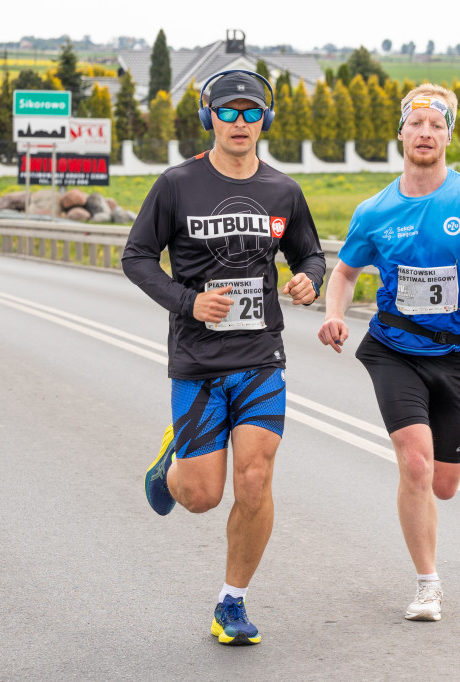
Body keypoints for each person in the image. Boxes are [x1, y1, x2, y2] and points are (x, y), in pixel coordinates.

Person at [122, 70, 326, 646]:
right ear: (209, 115)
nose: (240, 122)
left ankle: (230, 603)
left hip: (262, 358)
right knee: (202, 497)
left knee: (255, 481)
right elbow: (137, 257)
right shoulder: (177, 185)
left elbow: (309, 253)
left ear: (266, 118)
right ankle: (171, 463)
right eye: (228, 111)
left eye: (251, 111)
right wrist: (188, 301)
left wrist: (309, 280)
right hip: (199, 363)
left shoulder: (283, 191)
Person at [317, 83, 460, 622]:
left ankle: (430, 529)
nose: (426, 133)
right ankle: (427, 585)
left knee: (444, 483)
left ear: (448, 136)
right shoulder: (375, 210)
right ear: (402, 133)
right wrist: (334, 314)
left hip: (456, 355)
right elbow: (343, 273)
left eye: (437, 125)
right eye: (417, 124)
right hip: (394, 348)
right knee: (414, 463)